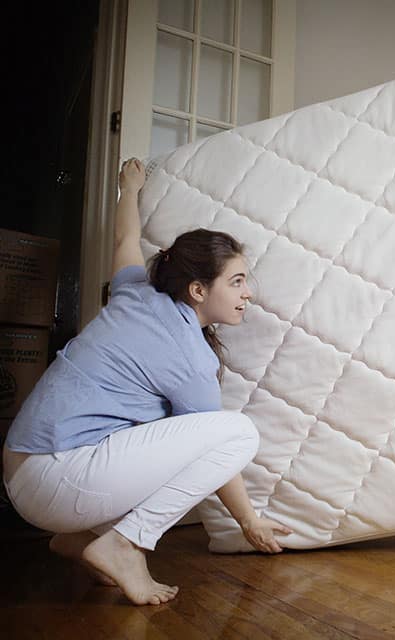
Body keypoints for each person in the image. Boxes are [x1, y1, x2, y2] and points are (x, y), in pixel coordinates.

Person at [1, 158, 291, 605]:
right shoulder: (189, 358)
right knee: (239, 432)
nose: (248, 292)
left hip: (20, 471)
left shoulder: (134, 292)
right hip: (55, 479)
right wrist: (249, 521)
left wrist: (129, 188)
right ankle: (125, 543)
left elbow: (124, 238)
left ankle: (78, 539)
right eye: (236, 282)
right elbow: (218, 453)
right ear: (198, 290)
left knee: (143, 432)